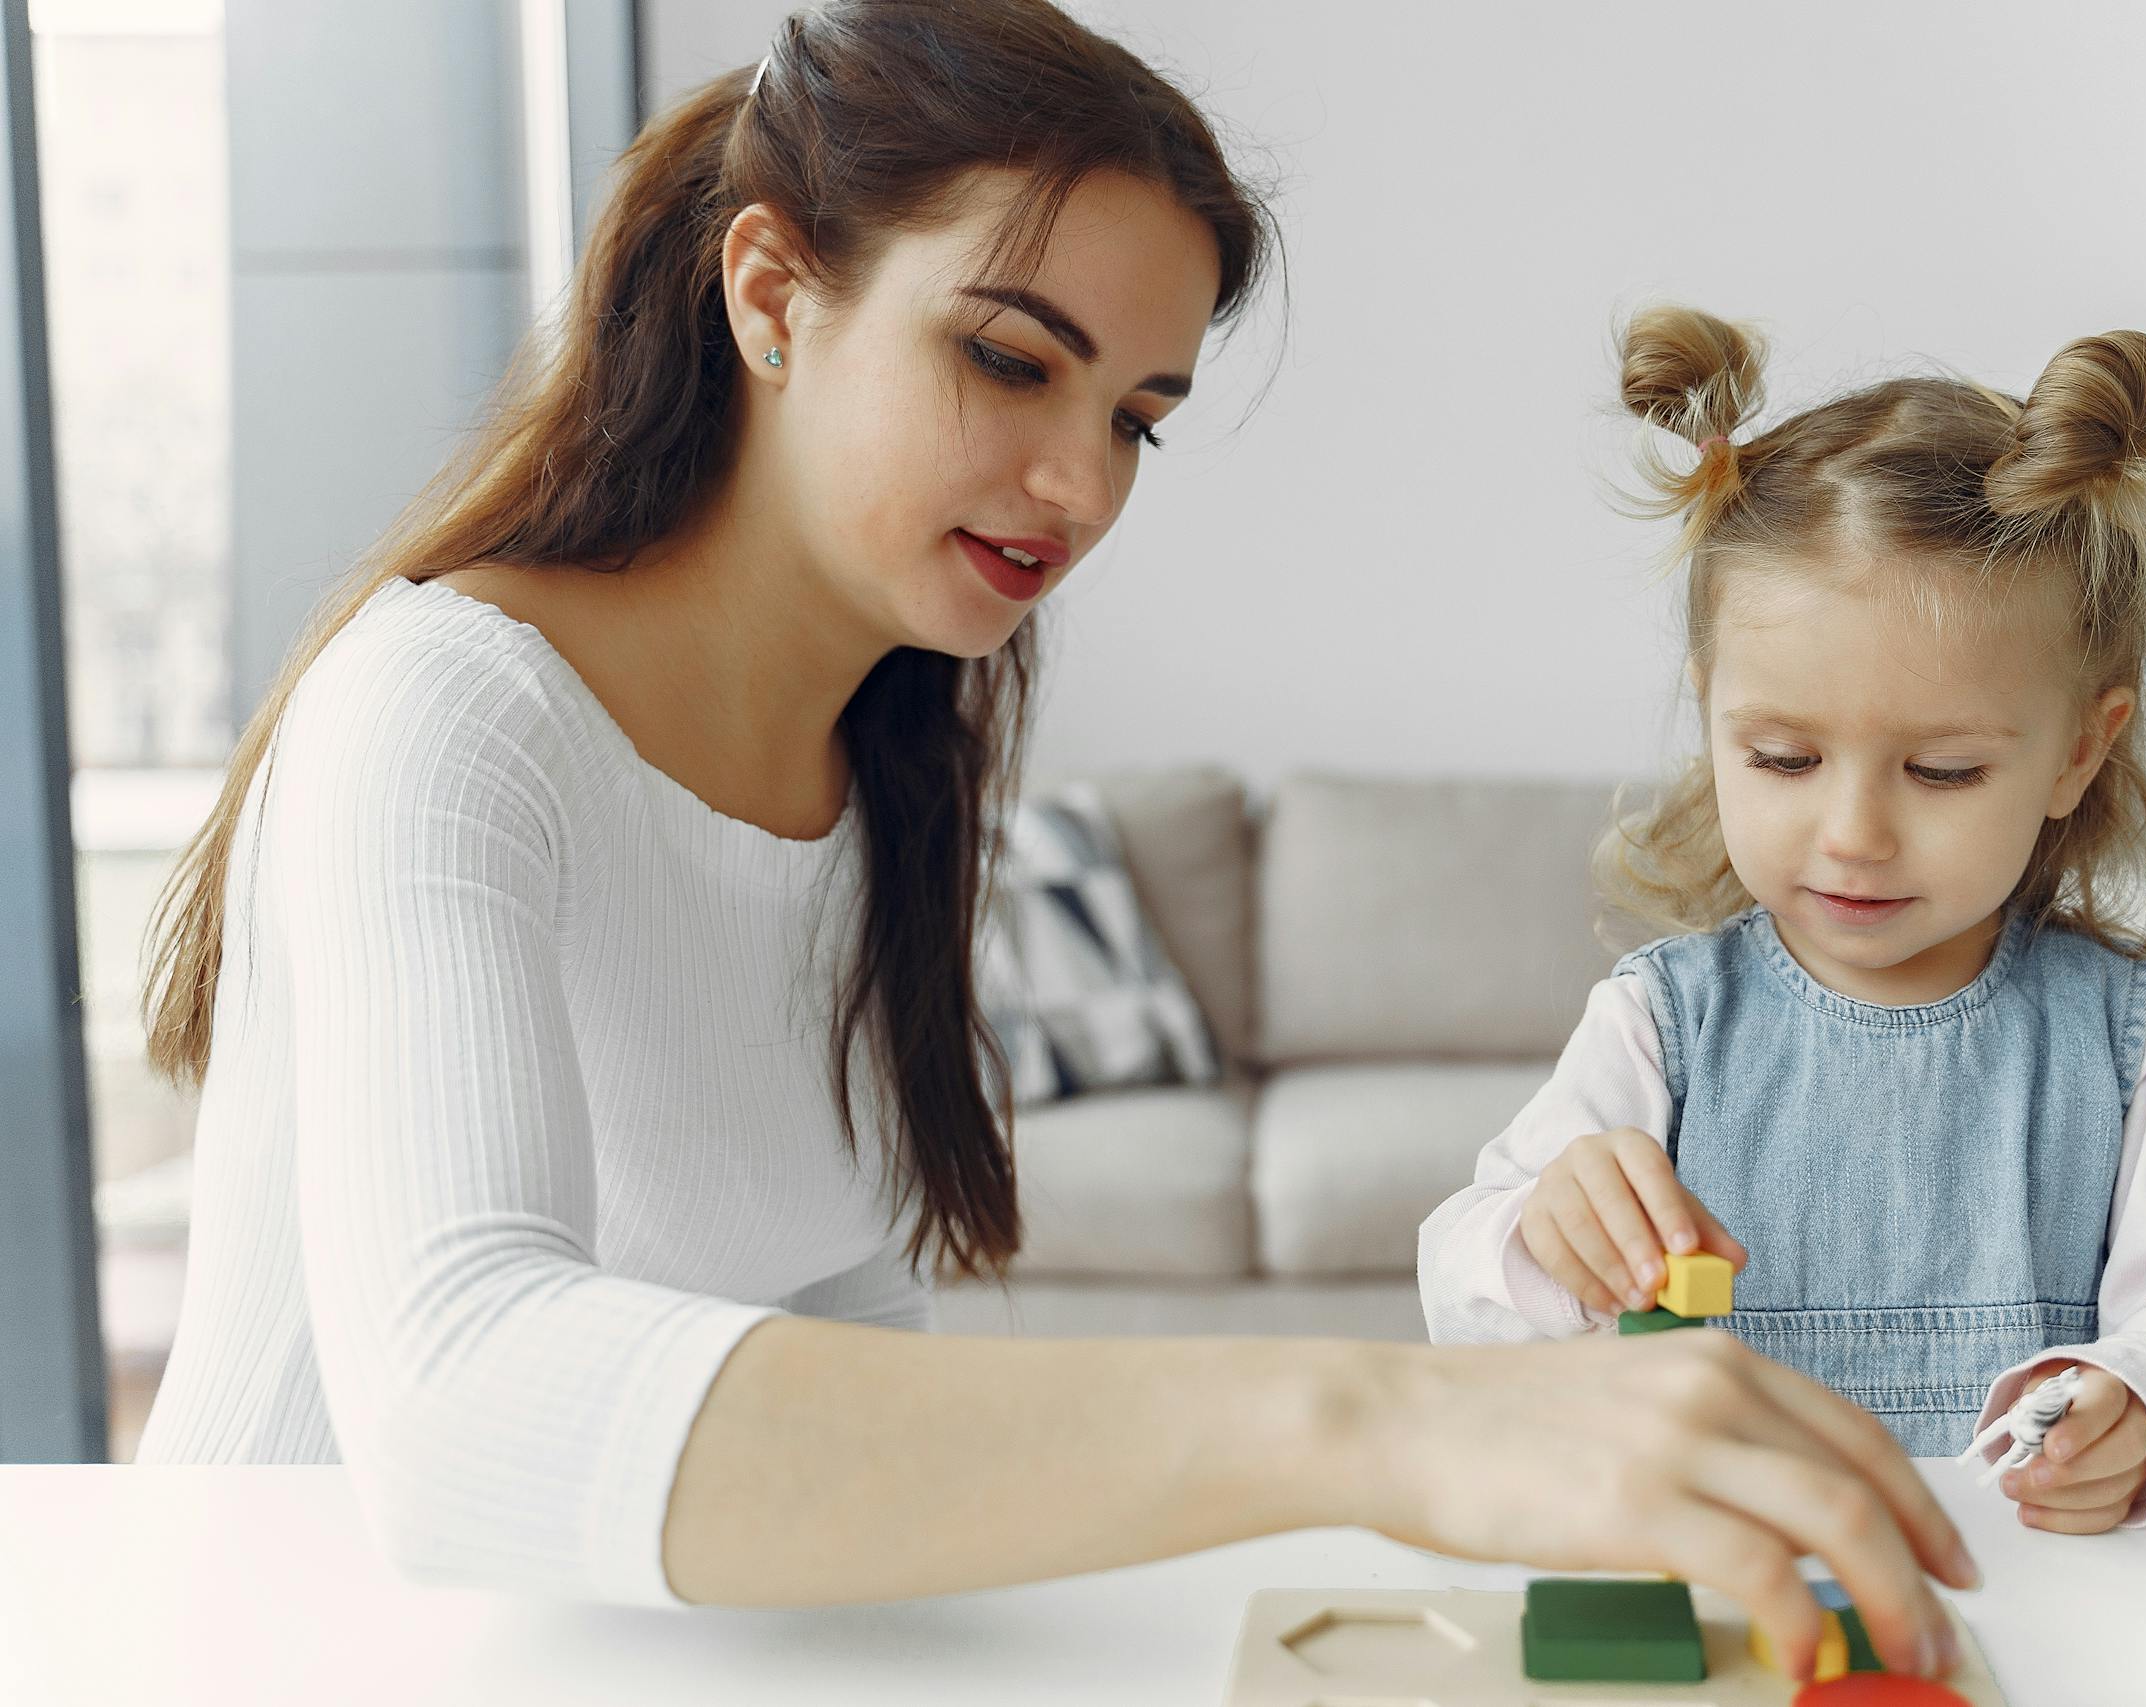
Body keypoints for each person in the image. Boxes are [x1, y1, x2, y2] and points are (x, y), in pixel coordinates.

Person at [132, 0, 1976, 1683]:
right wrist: (1379, 1426)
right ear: (771, 294)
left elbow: (845, 1333)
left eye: (1134, 421)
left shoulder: (881, 778)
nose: (1082, 486)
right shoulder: (446, 712)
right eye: (1013, 362)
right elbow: (460, 1407)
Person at [1420, 305, 2146, 1535]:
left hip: (2027, 1593)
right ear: (1711, 718)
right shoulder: (1659, 1024)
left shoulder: (2135, 1041)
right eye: (1783, 758)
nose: (1853, 834)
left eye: (1941, 772)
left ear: (2074, 755)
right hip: (1739, 1578)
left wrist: (2144, 1394)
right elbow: (1463, 1283)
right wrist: (1544, 1231)